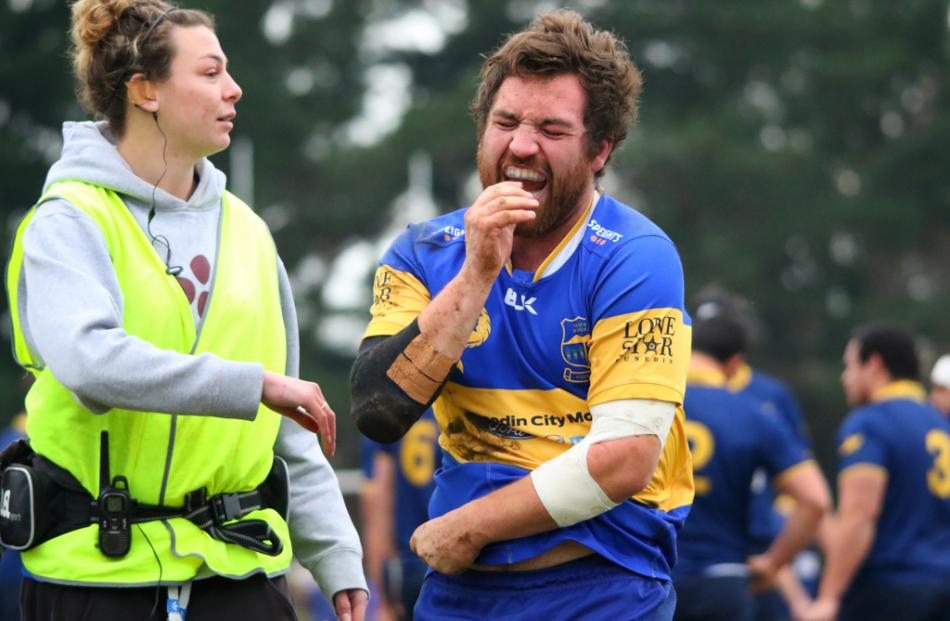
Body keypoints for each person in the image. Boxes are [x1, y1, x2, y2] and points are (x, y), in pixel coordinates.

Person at [2, 1, 366, 619]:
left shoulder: (252, 234)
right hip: (94, 582)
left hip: (242, 577)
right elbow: (91, 362)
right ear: (145, 90)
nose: (234, 88)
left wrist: (338, 558)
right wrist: (253, 385)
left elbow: (292, 428)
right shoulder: (66, 222)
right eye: (210, 72)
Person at [350, 10, 694, 620]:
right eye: (505, 122)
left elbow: (625, 458)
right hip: (462, 589)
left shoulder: (637, 257)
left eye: (552, 130)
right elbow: (377, 412)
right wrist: (476, 276)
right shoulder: (425, 252)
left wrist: (471, 527)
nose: (522, 145)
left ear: (599, 151)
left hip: (602, 590)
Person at [672, 316, 830, 621]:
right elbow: (816, 501)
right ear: (734, 364)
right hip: (723, 579)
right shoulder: (754, 415)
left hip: (651, 575)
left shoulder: (651, 402)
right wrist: (773, 563)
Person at [800, 323, 950, 621]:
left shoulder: (871, 422)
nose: (845, 377)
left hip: (890, 590)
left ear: (874, 365)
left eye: (850, 366)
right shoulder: (940, 424)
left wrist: (828, 597)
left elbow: (860, 514)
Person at [360, 410, 441, 620]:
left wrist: (381, 597)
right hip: (457, 563)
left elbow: (376, 499)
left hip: (408, 567)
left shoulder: (389, 403)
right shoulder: (464, 396)